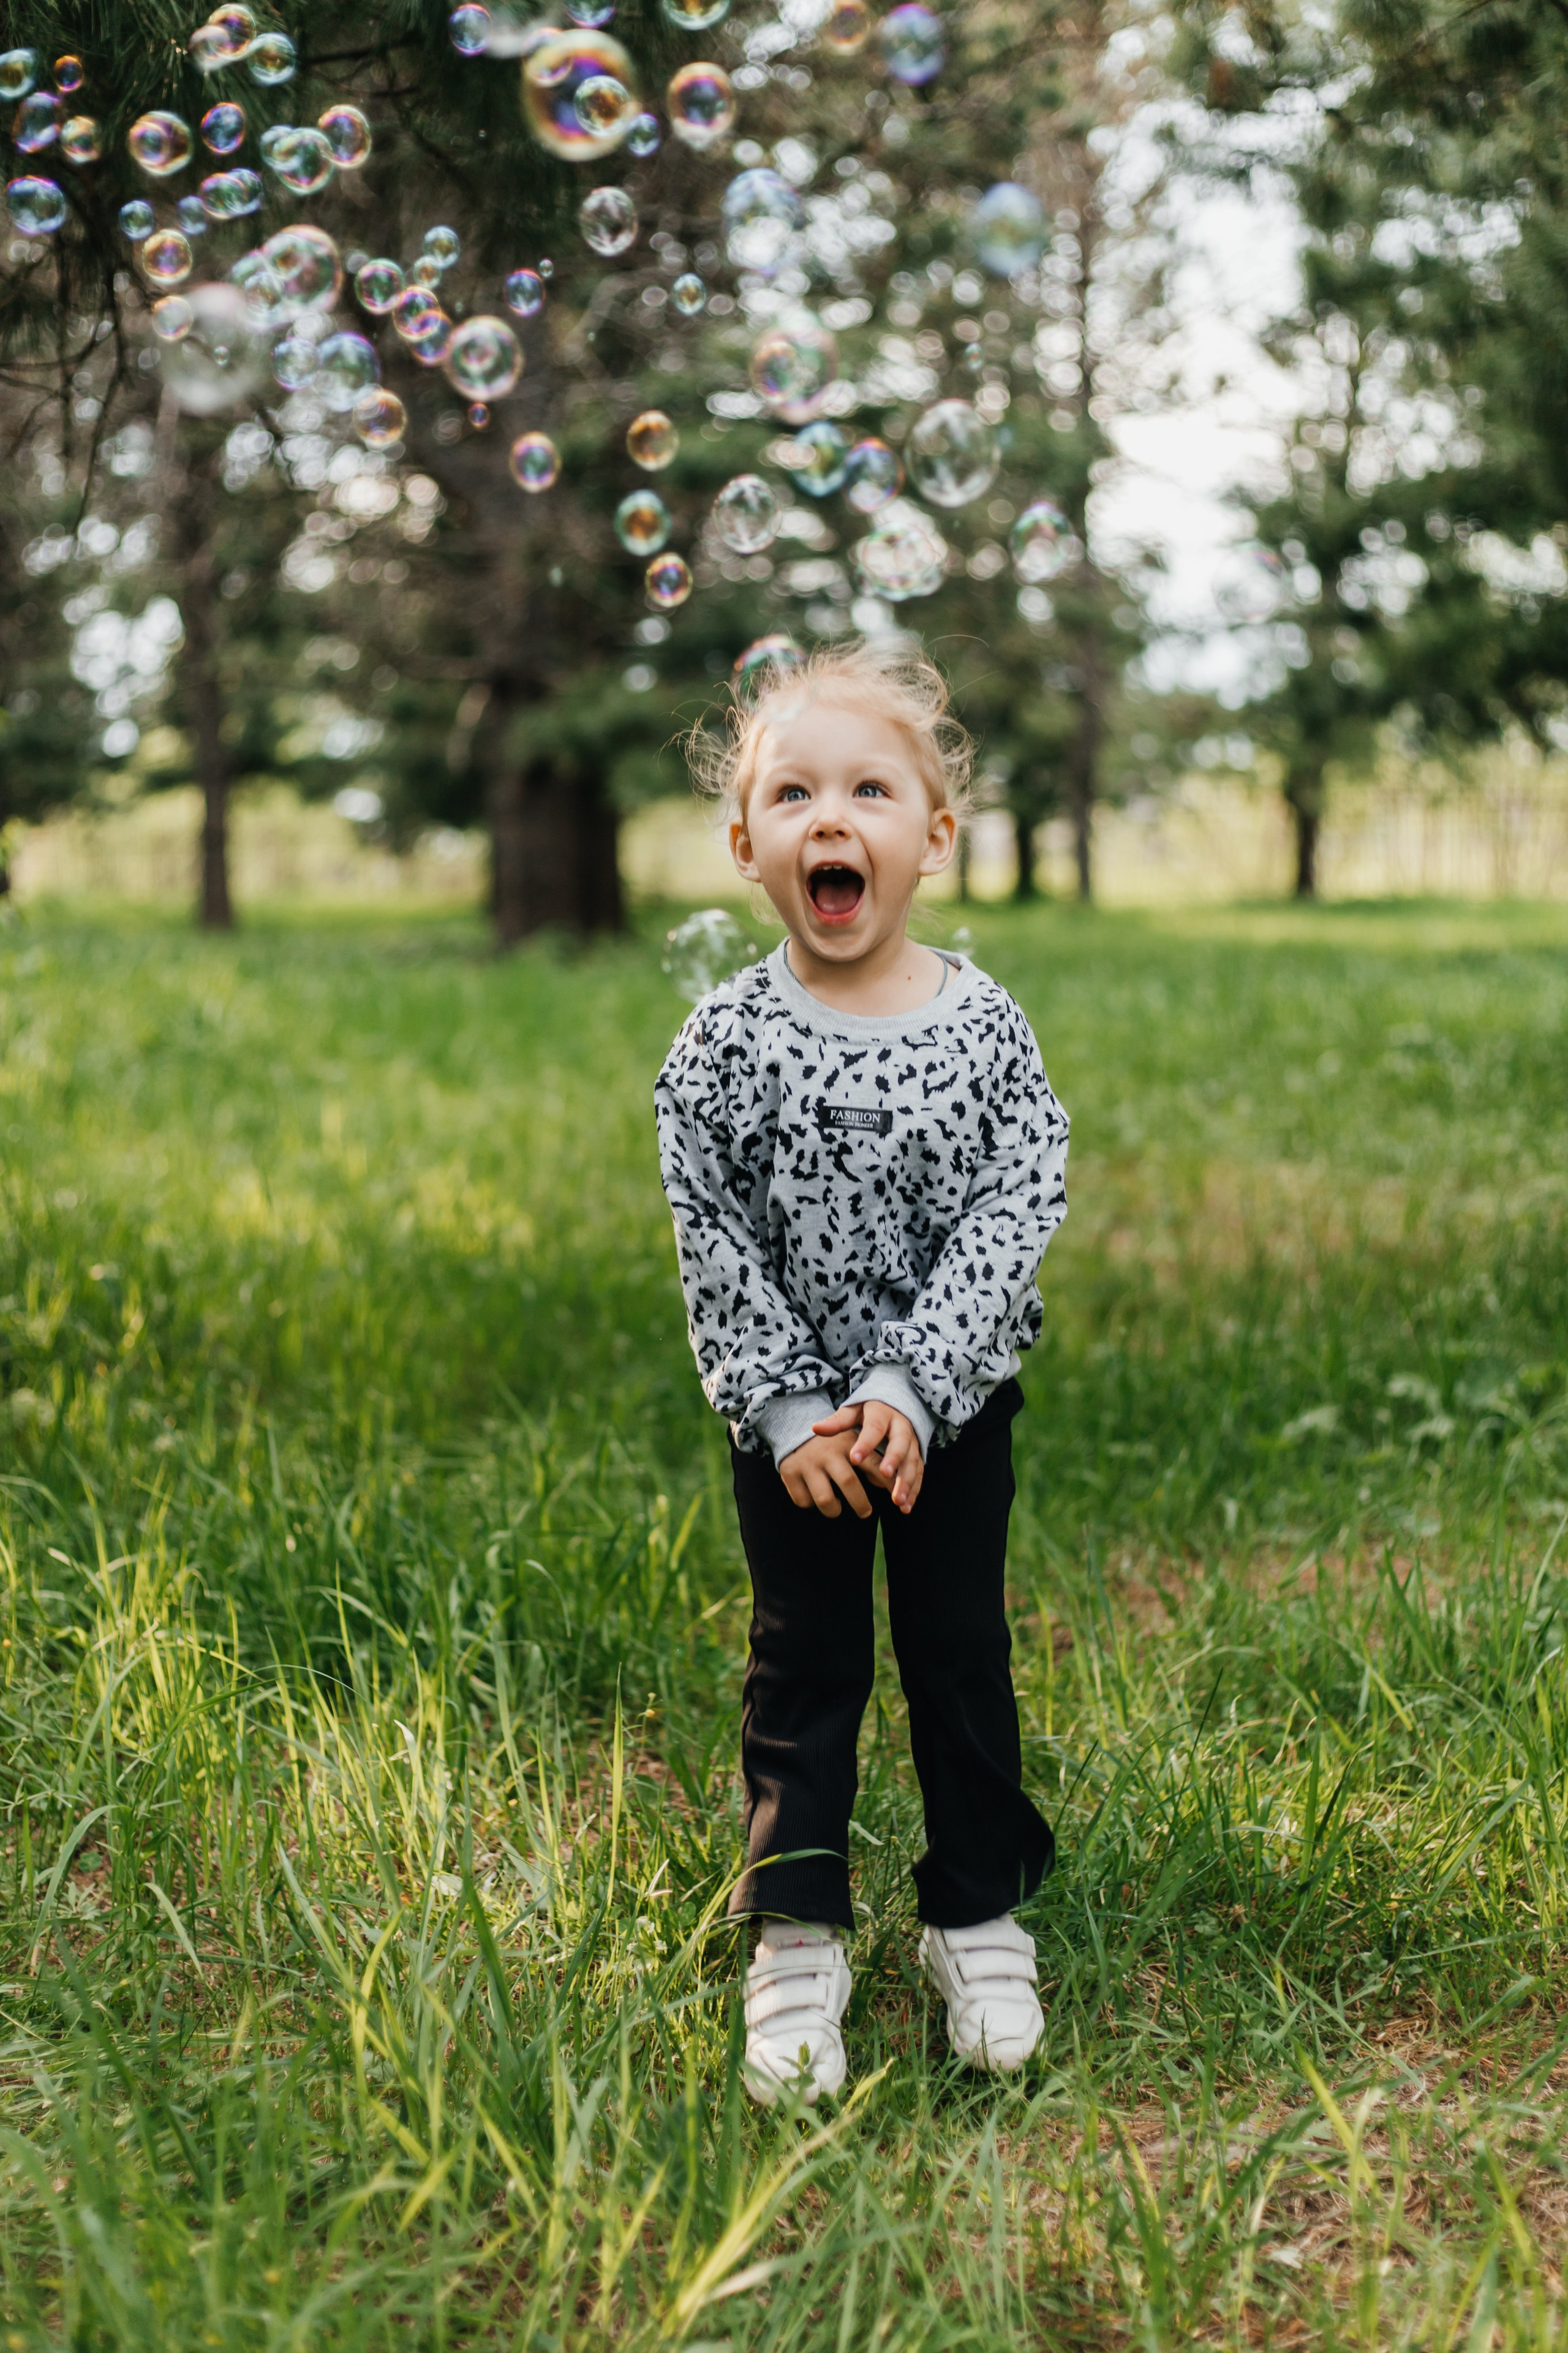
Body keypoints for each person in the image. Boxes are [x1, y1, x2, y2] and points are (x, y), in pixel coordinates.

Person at [654, 640, 1069, 2105]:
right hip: (794, 1437)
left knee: (956, 1653)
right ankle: (798, 1926)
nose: (832, 818)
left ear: (930, 838)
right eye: (795, 794)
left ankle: (972, 1909)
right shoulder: (722, 1041)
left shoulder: (984, 1034)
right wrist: (784, 1408)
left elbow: (1017, 1204)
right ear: (749, 845)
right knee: (804, 1665)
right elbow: (710, 1230)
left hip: (943, 1418)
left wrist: (910, 1385)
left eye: (870, 789)